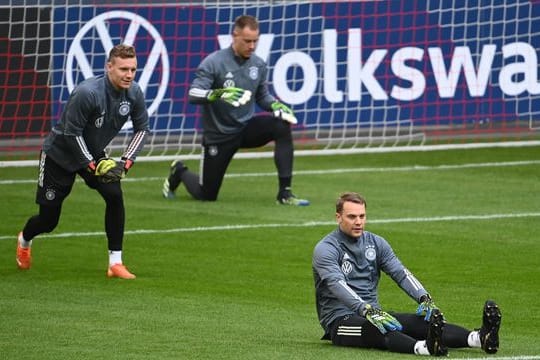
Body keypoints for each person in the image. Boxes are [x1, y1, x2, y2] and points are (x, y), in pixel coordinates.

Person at [16, 44, 149, 279]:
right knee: (48, 221)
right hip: (59, 155)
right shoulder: (87, 93)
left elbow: (141, 129)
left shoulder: (135, 93)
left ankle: (115, 263)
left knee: (114, 196)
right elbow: (71, 134)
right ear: (109, 67)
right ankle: (24, 239)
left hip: (94, 153)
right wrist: (91, 166)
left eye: (133, 69)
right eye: (123, 69)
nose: (129, 75)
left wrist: (125, 164)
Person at [312, 192, 502, 356]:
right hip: (341, 322)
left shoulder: (376, 243)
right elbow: (337, 284)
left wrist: (424, 297)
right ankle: (424, 348)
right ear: (338, 217)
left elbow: (401, 273)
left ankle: (479, 338)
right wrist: (366, 309)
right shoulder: (326, 248)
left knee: (419, 322)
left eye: (362, 216)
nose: (359, 222)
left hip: (377, 314)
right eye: (352, 217)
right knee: (378, 328)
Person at [162, 14, 309, 206]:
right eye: (247, 41)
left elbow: (262, 96)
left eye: (255, 41)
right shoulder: (213, 63)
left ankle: (285, 193)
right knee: (207, 194)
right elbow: (194, 94)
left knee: (281, 126)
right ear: (234, 36)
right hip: (219, 135)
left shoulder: (258, 64)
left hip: (245, 128)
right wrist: (219, 93)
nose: (252, 46)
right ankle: (180, 171)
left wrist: (275, 105)